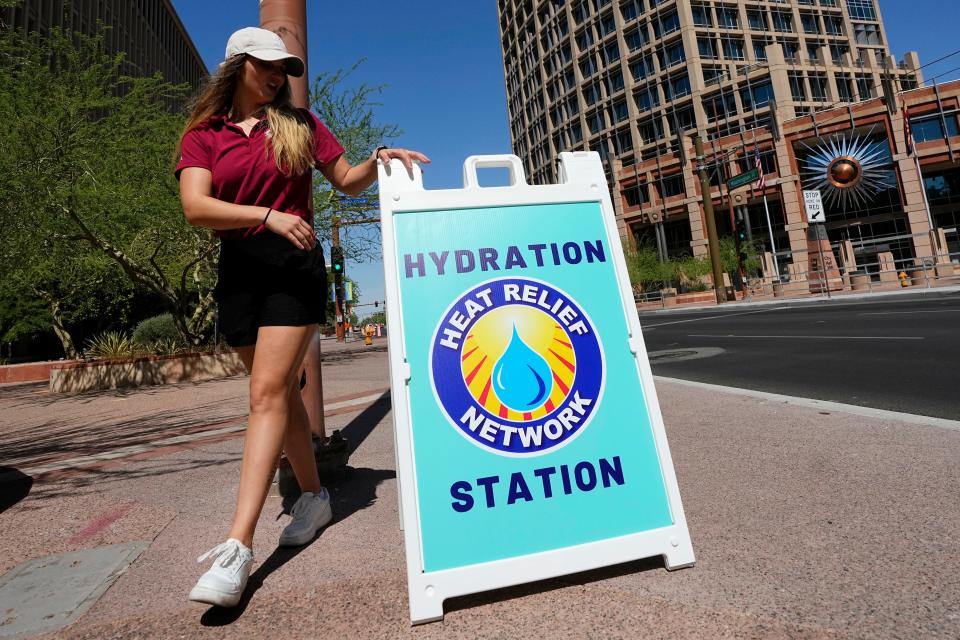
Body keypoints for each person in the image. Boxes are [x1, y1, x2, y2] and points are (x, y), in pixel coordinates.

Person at [175, 27, 428, 607]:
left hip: (295, 268)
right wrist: (264, 214)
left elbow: (346, 180)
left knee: (266, 393)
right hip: (239, 270)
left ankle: (237, 548)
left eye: (285, 69)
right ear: (238, 65)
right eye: (268, 66)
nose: (279, 77)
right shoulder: (204, 136)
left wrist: (377, 159)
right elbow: (195, 206)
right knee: (280, 395)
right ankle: (314, 497)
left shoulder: (300, 126)